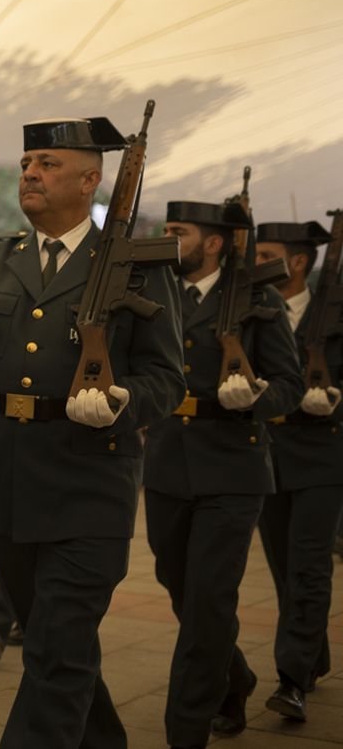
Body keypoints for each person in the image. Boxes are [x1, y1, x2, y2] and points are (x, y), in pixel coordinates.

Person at [0, 117, 182, 748]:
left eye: (48, 162)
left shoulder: (137, 268)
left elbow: (168, 378)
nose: (30, 172)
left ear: (91, 179)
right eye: (27, 161)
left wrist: (122, 398)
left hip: (88, 484)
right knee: (62, 648)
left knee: (56, 651)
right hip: (3, 480)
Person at [150, 199, 303, 747]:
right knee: (179, 587)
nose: (168, 238)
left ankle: (185, 729)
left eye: (179, 231)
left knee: (211, 598)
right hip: (167, 462)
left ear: (213, 243)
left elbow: (290, 383)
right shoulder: (155, 291)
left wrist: (258, 396)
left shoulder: (257, 300)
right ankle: (233, 678)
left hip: (234, 467)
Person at [253, 219, 343, 722]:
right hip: (268, 454)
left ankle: (292, 679)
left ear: (300, 261)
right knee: (286, 571)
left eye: (266, 254)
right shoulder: (256, 310)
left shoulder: (337, 310)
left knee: (309, 568)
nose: (257, 264)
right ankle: (313, 655)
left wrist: (336, 399)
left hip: (323, 456)